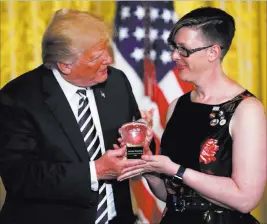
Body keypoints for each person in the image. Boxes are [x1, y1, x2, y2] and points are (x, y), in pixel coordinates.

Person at [0, 9, 152, 224]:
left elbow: (132, 142)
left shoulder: (116, 82)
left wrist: (139, 149)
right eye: (97, 57)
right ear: (65, 65)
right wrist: (95, 171)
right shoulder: (18, 98)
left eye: (107, 51)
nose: (109, 59)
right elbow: (21, 177)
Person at [118, 6, 267, 224]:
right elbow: (170, 194)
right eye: (174, 48)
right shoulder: (177, 106)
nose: (173, 56)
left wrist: (176, 169)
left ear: (213, 52)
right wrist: (149, 168)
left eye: (183, 50)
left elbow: (245, 199)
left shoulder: (247, 109)